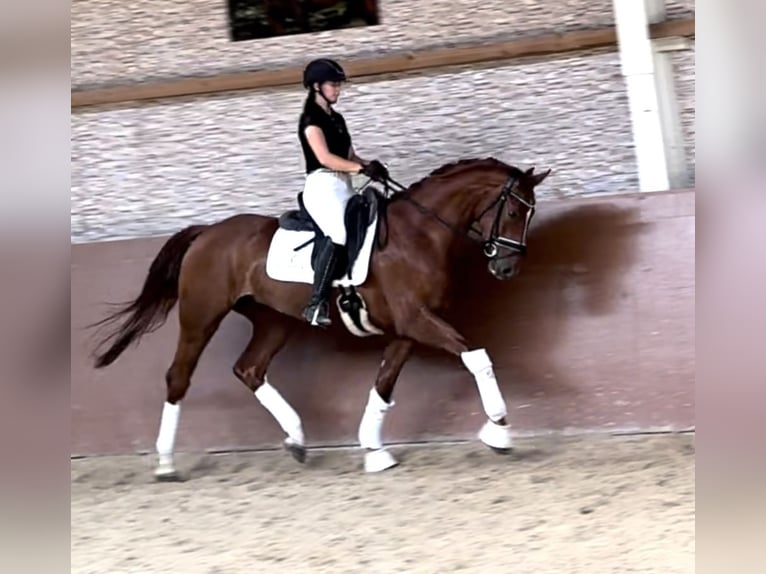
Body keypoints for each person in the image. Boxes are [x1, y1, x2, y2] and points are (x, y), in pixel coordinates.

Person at [297, 57, 388, 327]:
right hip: (322, 184)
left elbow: (350, 155)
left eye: (338, 85)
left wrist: (369, 165)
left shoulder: (336, 119)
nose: (337, 90)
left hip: (343, 183)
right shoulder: (310, 120)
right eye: (333, 85)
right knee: (338, 233)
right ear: (316, 87)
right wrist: (358, 170)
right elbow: (324, 158)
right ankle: (316, 304)